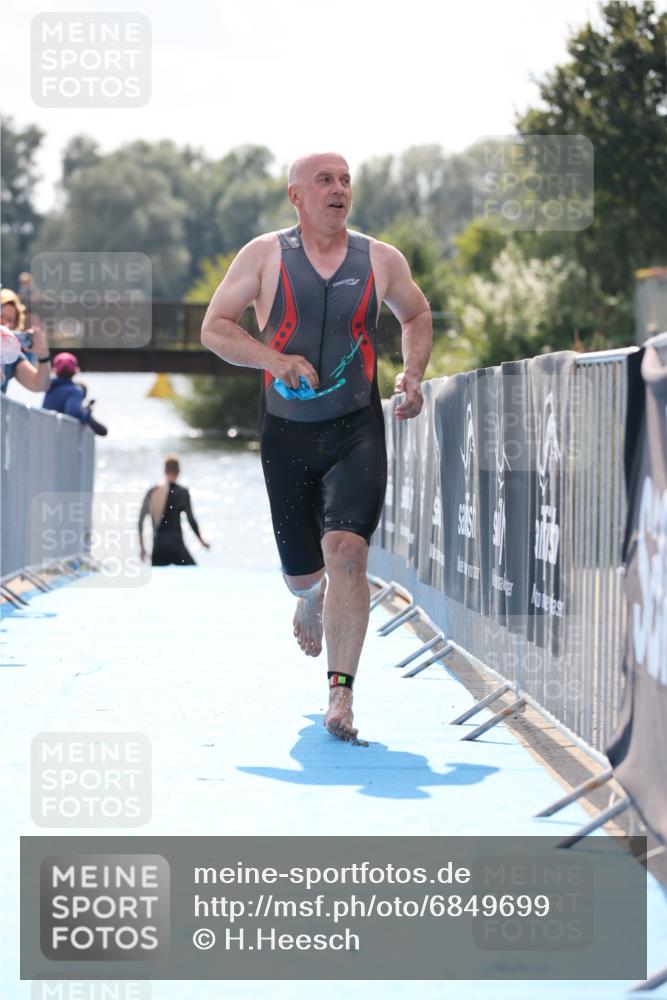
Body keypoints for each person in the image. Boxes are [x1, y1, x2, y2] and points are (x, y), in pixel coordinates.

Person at [201, 151, 432, 741]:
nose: (339, 190)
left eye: (346, 180)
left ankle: (342, 697)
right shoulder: (264, 255)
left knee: (348, 551)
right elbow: (216, 328)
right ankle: (308, 598)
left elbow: (416, 313)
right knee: (304, 574)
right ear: (296, 197)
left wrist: (413, 373)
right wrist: (274, 360)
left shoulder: (380, 259)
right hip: (287, 431)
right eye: (325, 180)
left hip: (356, 425)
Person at [138, 455, 211, 566]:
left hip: (158, 548)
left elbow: (140, 521)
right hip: (176, 546)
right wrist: (202, 541)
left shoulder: (152, 492)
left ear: (165, 471)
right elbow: (191, 520)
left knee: (157, 580)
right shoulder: (183, 492)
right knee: (194, 574)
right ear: (178, 471)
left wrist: (142, 548)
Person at [42, 352, 108, 435]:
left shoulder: (49, 387)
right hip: (60, 440)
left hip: (44, 436)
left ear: (55, 370)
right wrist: (87, 412)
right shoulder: (75, 391)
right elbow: (71, 413)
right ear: (76, 370)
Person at [1, 288, 51, 395]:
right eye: (1, 316)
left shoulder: (12, 356)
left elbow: (39, 385)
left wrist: (44, 356)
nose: (4, 323)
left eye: (10, 320)